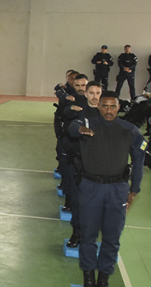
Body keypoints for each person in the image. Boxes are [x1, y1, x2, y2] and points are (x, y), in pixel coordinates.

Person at [69, 91, 145, 287]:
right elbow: (72, 128)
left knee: (112, 238)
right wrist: (81, 128)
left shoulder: (129, 130)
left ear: (118, 107)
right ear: (98, 106)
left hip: (117, 189)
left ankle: (103, 282)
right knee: (88, 236)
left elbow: (138, 159)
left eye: (113, 106)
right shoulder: (87, 125)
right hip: (91, 188)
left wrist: (134, 189)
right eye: (105, 106)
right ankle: (88, 282)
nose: (109, 110)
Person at [62, 80, 103, 248]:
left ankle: (90, 236)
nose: (95, 97)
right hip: (79, 164)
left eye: (98, 93)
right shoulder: (79, 109)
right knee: (78, 202)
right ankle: (76, 233)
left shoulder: (106, 113)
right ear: (86, 94)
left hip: (100, 166)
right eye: (91, 93)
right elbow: (67, 114)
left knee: (96, 204)